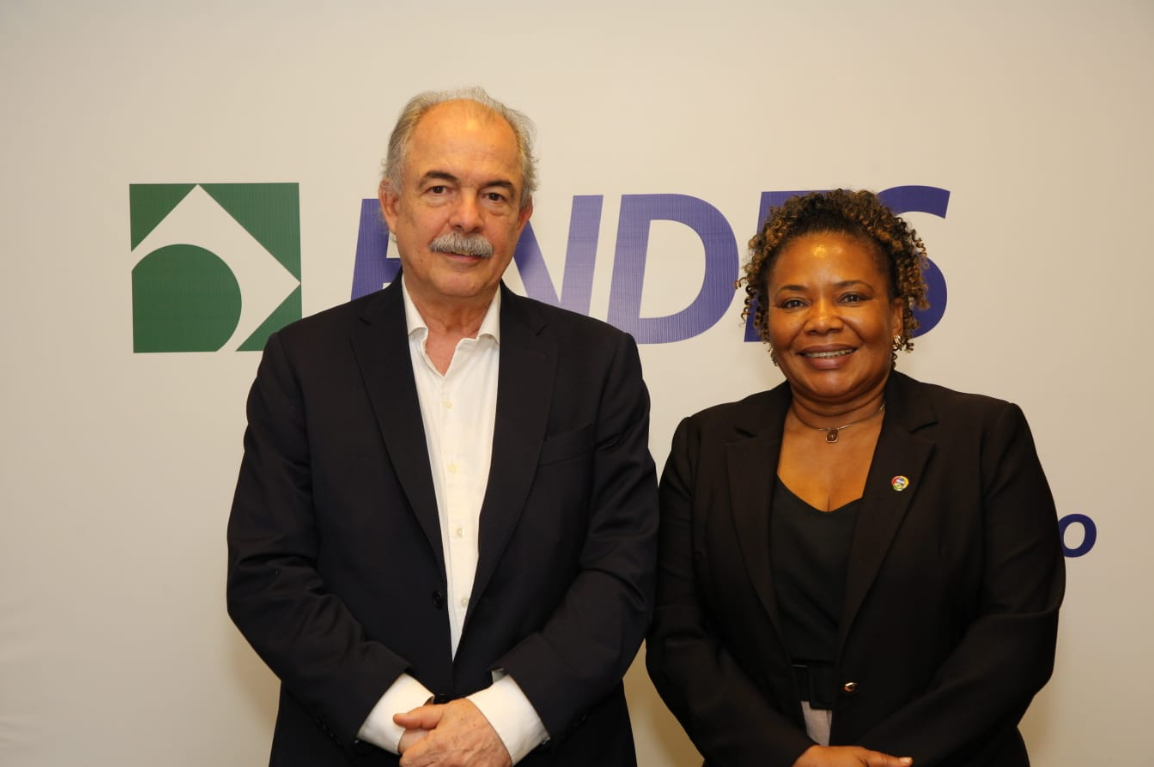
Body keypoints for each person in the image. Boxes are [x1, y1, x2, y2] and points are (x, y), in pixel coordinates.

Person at [226, 87, 658, 767]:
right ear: (391, 205)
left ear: (523, 218)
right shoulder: (303, 363)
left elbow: (623, 571)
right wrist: (408, 725)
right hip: (360, 747)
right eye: (439, 188)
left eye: (495, 195)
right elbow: (267, 572)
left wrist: (501, 722)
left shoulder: (598, 363)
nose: (468, 217)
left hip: (552, 746)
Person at [645, 189, 1064, 767]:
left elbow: (1017, 634)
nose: (822, 321)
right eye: (794, 302)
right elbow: (678, 637)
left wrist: (886, 762)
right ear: (766, 322)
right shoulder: (707, 445)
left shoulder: (983, 438)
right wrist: (791, 757)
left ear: (896, 313)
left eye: (851, 296)